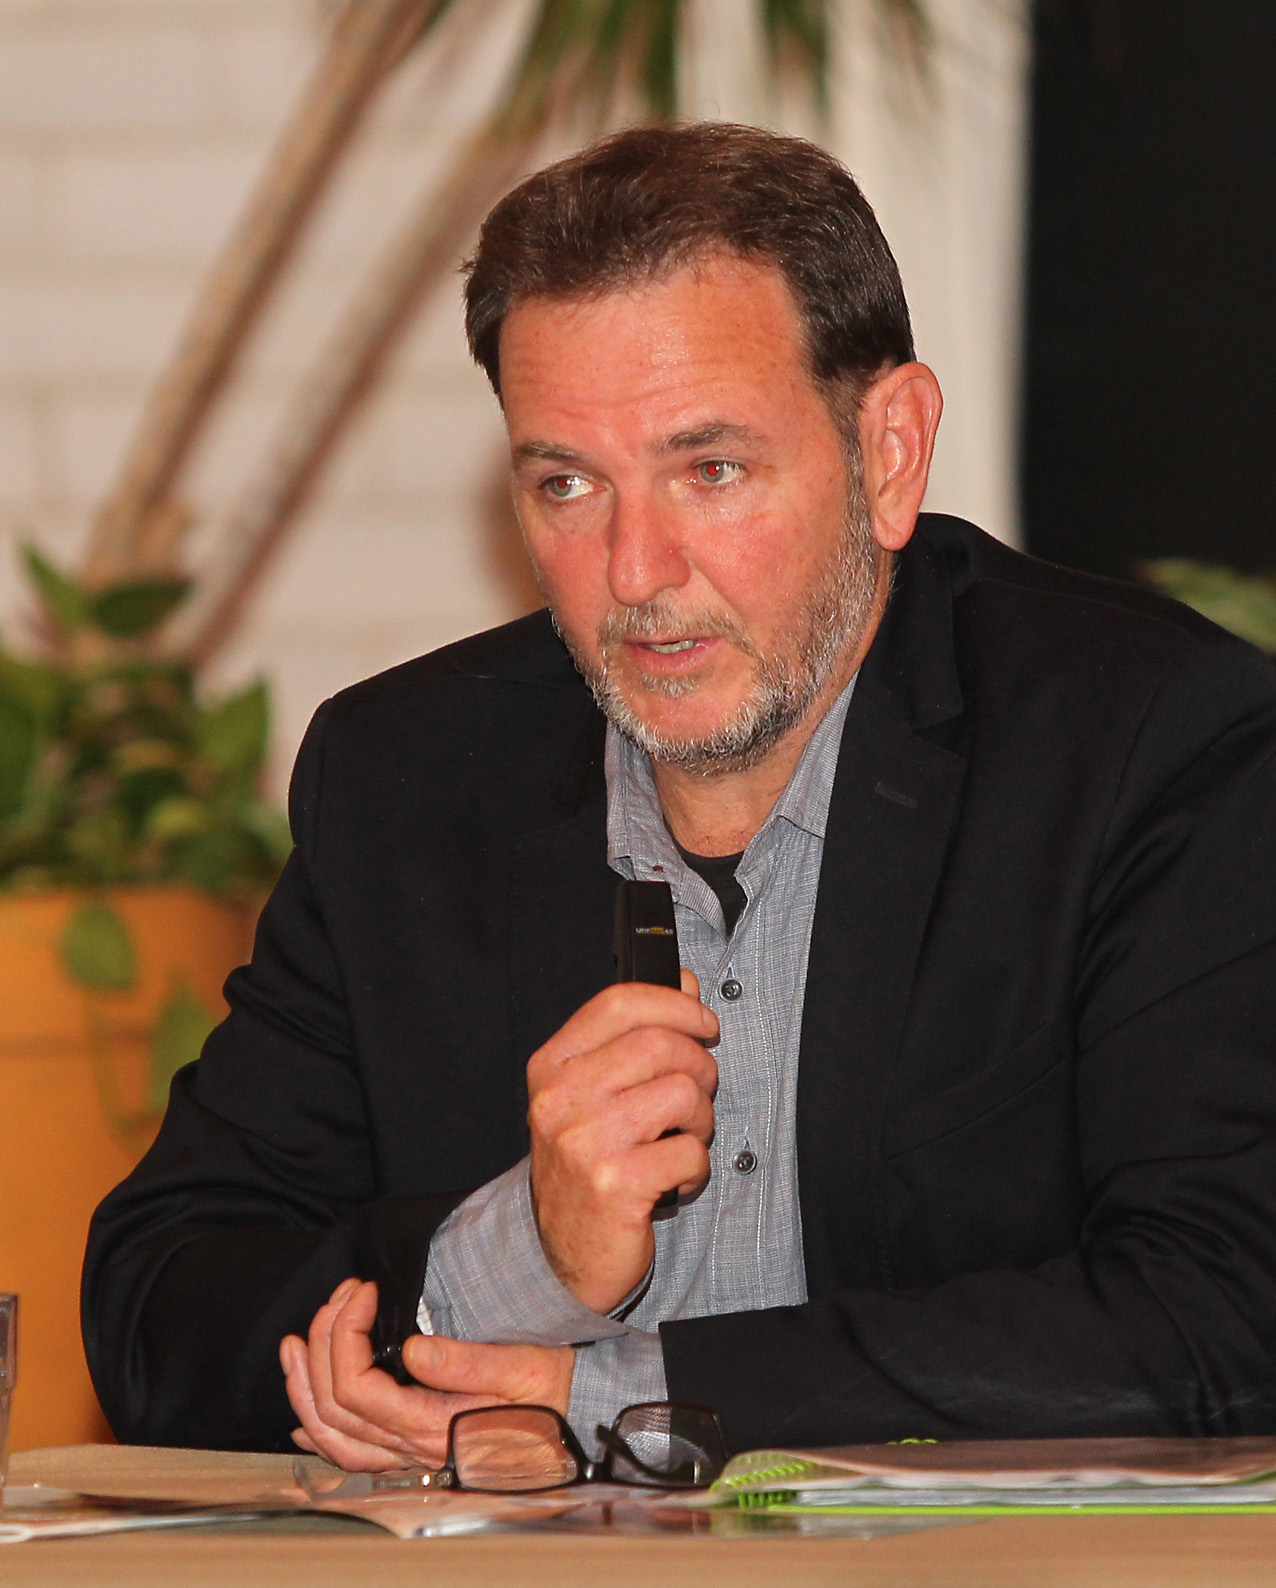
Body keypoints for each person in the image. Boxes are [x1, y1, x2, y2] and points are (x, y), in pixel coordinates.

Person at [83, 123, 1276, 1467]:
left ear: (889, 453)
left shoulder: (1145, 746)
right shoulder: (408, 782)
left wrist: (612, 1403)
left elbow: (1226, 1318)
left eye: (711, 471)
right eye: (567, 484)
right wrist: (521, 1257)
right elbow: (155, 1310)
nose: (637, 570)